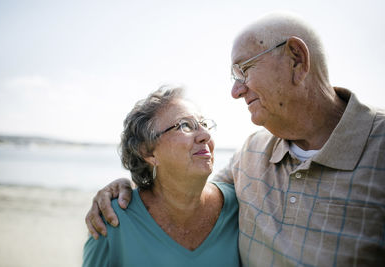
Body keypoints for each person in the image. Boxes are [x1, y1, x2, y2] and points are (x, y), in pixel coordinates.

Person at [85, 12, 385, 266]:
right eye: (185, 126)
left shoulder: (379, 148)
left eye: (245, 69)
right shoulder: (251, 154)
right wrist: (120, 189)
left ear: (296, 59)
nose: (236, 91)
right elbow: (181, 190)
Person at [83, 87, 240, 266]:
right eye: (185, 125)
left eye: (204, 124)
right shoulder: (113, 219)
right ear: (149, 152)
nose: (205, 135)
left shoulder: (240, 204)